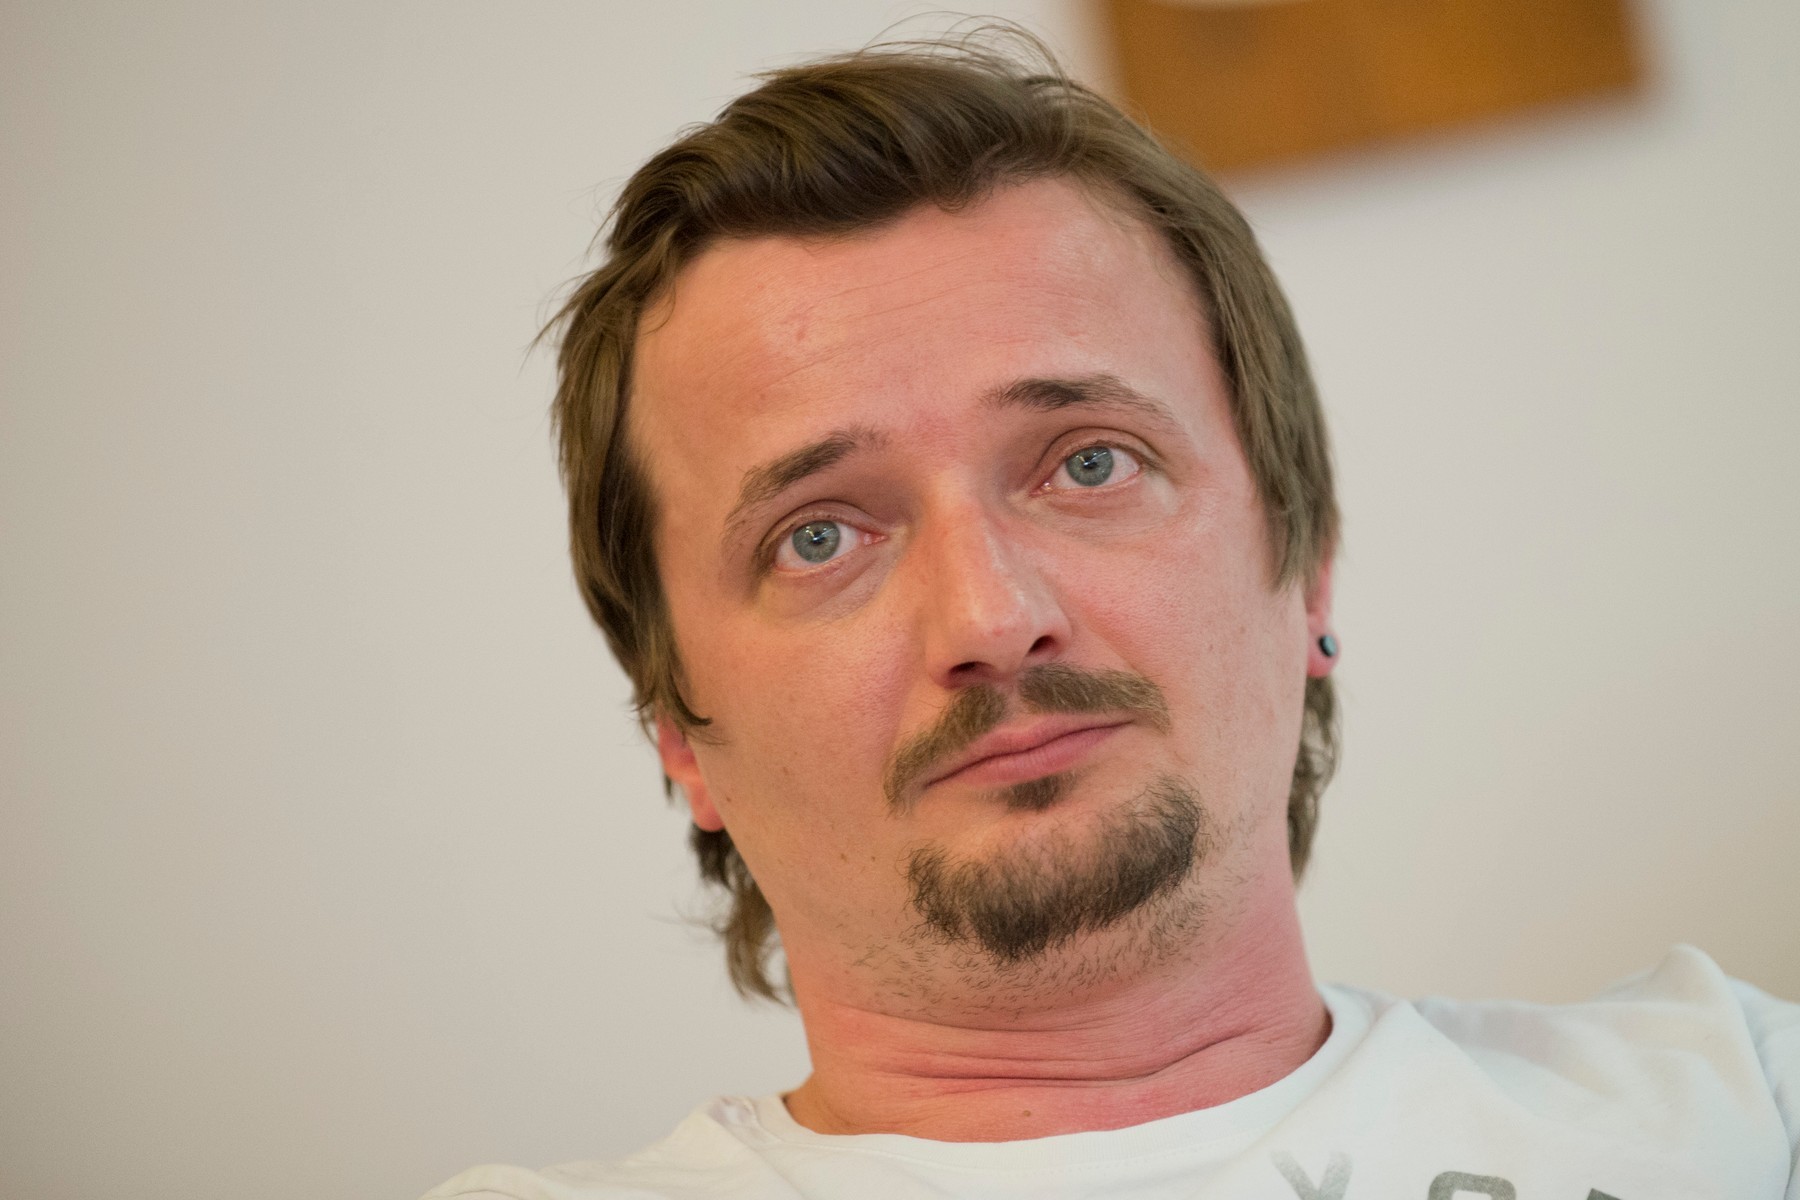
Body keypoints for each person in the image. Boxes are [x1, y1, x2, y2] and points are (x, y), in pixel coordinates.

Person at [426, 32, 1799, 1200]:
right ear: (678, 731)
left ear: (1307, 564)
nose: (991, 616)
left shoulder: (1744, 1102)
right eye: (820, 536)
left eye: (1089, 463)